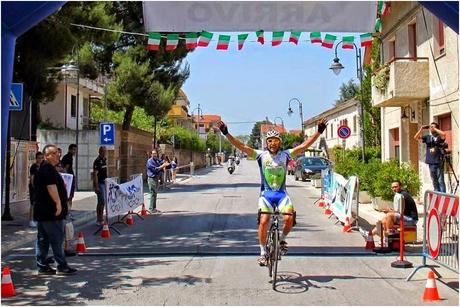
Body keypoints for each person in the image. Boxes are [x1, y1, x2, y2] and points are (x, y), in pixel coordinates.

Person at [216, 118, 328, 266]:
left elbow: (304, 146)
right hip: (266, 195)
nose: (272, 143)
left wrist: (319, 132)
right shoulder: (261, 155)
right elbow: (242, 146)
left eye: (275, 141)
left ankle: (281, 239)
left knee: (289, 218)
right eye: (270, 141)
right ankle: (262, 252)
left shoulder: (286, 155)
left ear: (279, 142)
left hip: (282, 195)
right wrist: (226, 133)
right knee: (263, 221)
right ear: (266, 143)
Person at [34, 144, 77, 275]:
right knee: (57, 239)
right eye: (54, 153)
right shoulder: (48, 169)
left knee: (43, 240)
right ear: (47, 156)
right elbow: (51, 187)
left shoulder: (46, 168)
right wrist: (58, 204)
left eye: (58, 152)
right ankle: (61, 266)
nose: (58, 154)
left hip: (43, 212)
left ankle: (42, 265)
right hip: (51, 212)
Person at [414, 122, 447, 192]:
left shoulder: (439, 137)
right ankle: (437, 195)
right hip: (431, 162)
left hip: (438, 161)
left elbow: (444, 134)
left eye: (433, 127)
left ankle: (443, 196)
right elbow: (416, 137)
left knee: (440, 180)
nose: (431, 128)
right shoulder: (428, 137)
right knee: (434, 181)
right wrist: (421, 129)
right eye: (431, 127)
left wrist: (434, 128)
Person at [61, 144, 77, 216]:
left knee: (68, 196)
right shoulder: (69, 157)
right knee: (69, 196)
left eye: (75, 150)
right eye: (73, 149)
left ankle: (67, 212)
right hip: (68, 179)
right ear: (69, 149)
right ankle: (67, 212)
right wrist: (67, 179)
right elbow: (65, 169)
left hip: (69, 178)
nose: (74, 151)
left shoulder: (66, 157)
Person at [93, 146, 108, 225]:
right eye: (103, 151)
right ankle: (99, 219)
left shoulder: (104, 160)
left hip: (105, 183)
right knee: (101, 201)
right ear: (99, 152)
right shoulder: (97, 161)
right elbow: (95, 174)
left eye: (105, 151)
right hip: (100, 183)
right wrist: (96, 186)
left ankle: (101, 217)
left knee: (103, 202)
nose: (104, 153)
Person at [29, 151, 44, 228]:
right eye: (39, 158)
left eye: (42, 158)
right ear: (36, 158)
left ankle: (37, 219)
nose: (40, 159)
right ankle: (31, 220)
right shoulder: (34, 167)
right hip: (34, 188)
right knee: (33, 203)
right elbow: (32, 178)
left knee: (39, 204)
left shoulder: (43, 166)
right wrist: (34, 187)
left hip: (40, 188)